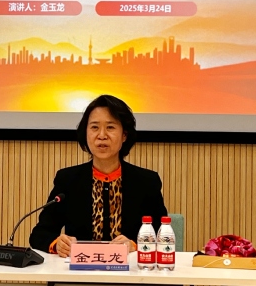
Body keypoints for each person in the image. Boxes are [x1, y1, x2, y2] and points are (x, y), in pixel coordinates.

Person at [29, 94, 168, 257]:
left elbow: (162, 235)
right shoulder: (68, 180)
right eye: (94, 127)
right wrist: (57, 244)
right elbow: (40, 234)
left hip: (130, 270)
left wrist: (134, 245)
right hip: (80, 269)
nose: (102, 135)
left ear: (124, 135)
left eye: (110, 127)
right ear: (86, 133)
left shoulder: (146, 182)